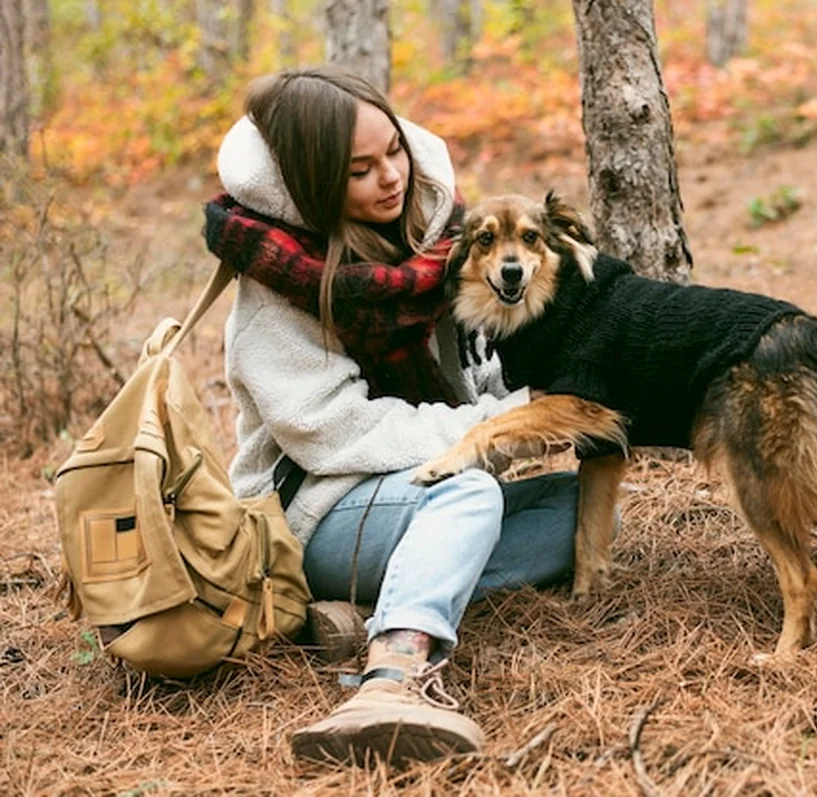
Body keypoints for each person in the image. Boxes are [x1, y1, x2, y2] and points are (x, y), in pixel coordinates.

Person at [203, 66, 583, 768]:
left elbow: (474, 372)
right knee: (466, 490)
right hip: (313, 510)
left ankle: (373, 601)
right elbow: (334, 431)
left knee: (583, 511)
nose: (391, 177)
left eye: (395, 152)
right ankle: (391, 676)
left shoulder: (434, 238)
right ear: (315, 180)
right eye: (360, 169)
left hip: (415, 492)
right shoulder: (275, 286)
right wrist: (500, 427)